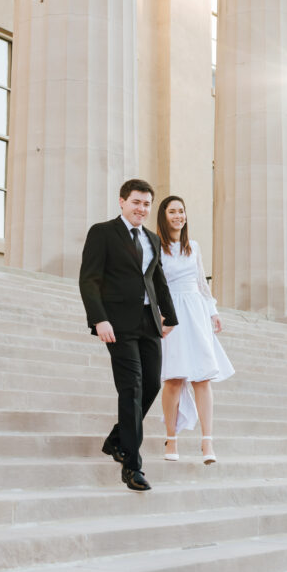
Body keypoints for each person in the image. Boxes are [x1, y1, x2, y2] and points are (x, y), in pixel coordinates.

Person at [79, 178, 178, 492]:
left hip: (148, 324)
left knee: (151, 384)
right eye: (136, 202)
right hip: (118, 324)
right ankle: (131, 465)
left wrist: (170, 316)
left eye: (147, 204)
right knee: (132, 388)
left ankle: (116, 438)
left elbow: (157, 279)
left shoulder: (152, 238)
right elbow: (89, 280)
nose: (142, 209)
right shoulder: (103, 233)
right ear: (122, 202)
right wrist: (99, 319)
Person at [156, 195, 234, 464]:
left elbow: (201, 282)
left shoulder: (194, 247)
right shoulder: (157, 247)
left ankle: (207, 442)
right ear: (164, 217)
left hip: (196, 311)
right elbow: (154, 285)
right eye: (172, 212)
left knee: (202, 377)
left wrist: (213, 311)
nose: (178, 216)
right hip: (172, 312)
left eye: (181, 211)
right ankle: (171, 438)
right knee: (174, 378)